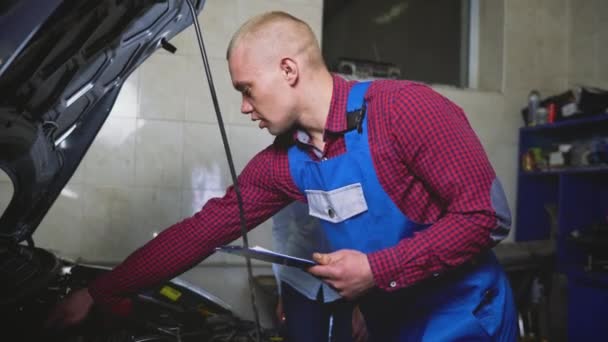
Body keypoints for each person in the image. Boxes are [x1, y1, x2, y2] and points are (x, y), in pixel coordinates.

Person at [47, 11, 517, 341]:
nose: (245, 107)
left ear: (288, 70)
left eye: (247, 90)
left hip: (463, 321)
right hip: (391, 325)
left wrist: (378, 270)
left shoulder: (404, 110)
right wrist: (98, 292)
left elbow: (486, 216)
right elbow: (202, 232)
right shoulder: (282, 163)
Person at [271, 201, 367, 342]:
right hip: (299, 281)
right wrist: (281, 293)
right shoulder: (286, 182)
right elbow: (280, 231)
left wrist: (369, 303)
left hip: (352, 278)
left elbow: (373, 232)